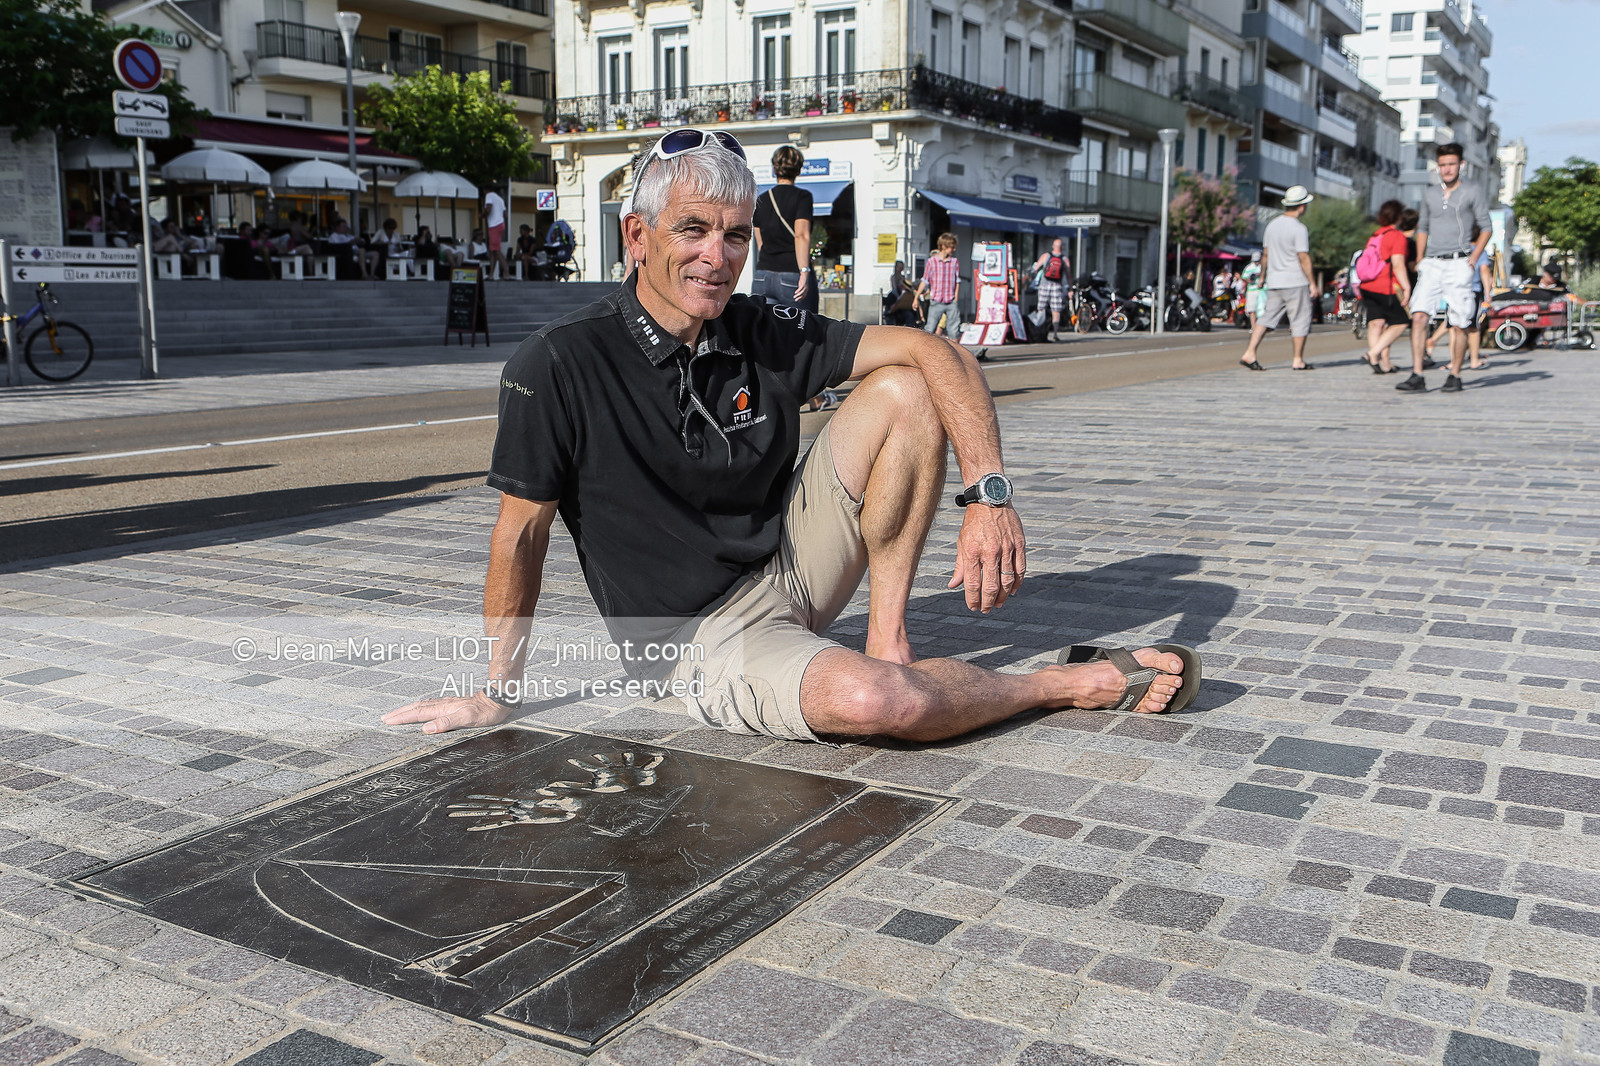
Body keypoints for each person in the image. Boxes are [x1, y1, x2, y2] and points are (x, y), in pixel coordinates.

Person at [381, 128, 1192, 746]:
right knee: (881, 704)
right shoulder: (557, 361)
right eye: (692, 230)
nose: (717, 256)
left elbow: (937, 350)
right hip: (695, 641)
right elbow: (519, 535)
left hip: (791, 568)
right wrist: (498, 691)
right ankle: (1061, 684)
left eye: (735, 235)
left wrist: (988, 494)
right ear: (637, 238)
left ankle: (888, 634)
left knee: (908, 383)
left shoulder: (754, 325)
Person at [1397, 143, 1491, 394]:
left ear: (1461, 165)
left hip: (1460, 261)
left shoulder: (1473, 191)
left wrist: (1474, 258)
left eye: (1451, 164)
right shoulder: (1429, 193)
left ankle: (1455, 374)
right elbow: (1423, 227)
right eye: (1442, 165)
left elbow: (1486, 227)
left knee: (1459, 321)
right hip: (1432, 262)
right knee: (1418, 315)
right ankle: (1417, 373)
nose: (1447, 169)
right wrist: (1419, 258)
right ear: (1437, 167)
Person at [1238, 186, 1319, 371]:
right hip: (1295, 281)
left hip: (1274, 281)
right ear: (1302, 206)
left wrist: (1263, 277)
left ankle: (1250, 352)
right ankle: (1298, 359)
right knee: (1300, 319)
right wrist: (1313, 283)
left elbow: (1265, 255)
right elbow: (1303, 257)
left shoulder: (1272, 225)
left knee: (1265, 319)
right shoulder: (1299, 228)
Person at [751, 145, 817, 312]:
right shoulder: (802, 197)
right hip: (791, 274)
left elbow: (760, 243)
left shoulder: (762, 199)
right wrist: (804, 272)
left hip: (763, 275)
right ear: (798, 170)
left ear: (775, 169)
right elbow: (801, 235)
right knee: (800, 330)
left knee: (764, 330)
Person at [1357, 199, 1412, 374]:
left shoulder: (1375, 235)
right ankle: (1373, 354)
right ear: (1398, 216)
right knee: (1401, 322)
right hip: (1385, 287)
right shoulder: (1397, 236)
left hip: (1366, 285)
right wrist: (1406, 286)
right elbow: (1398, 265)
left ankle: (1379, 363)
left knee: (1376, 323)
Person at [916, 232, 963, 339]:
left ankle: (955, 354)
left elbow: (957, 281)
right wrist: (916, 296)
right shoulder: (932, 261)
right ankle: (925, 352)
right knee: (930, 329)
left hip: (950, 300)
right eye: (952, 247)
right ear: (943, 246)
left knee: (954, 330)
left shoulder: (954, 262)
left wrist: (956, 297)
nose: (954, 249)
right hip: (936, 300)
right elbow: (925, 280)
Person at [1031, 238, 1070, 341]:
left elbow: (1035, 269)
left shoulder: (1046, 256)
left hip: (1044, 285)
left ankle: (1039, 331)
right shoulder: (1064, 259)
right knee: (1056, 310)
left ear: (1053, 246)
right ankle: (1055, 334)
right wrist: (1070, 288)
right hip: (1057, 286)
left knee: (1041, 308)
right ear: (1062, 247)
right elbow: (1068, 275)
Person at [482, 186, 508, 280]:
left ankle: (506, 273)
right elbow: (505, 215)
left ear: (485, 190)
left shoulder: (489, 196)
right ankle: (491, 274)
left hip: (494, 226)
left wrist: (482, 215)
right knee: (493, 251)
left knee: (497, 250)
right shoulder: (500, 199)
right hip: (501, 224)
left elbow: (488, 209)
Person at [1241, 252, 1264, 330]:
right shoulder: (1249, 267)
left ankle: (1260, 326)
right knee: (1252, 309)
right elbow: (1243, 276)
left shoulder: (1263, 267)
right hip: (1251, 290)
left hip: (1261, 290)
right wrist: (1248, 280)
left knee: (1261, 309)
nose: (1257, 262)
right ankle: (1253, 327)